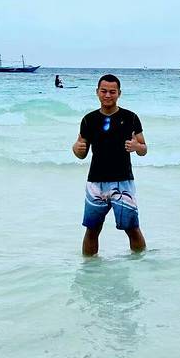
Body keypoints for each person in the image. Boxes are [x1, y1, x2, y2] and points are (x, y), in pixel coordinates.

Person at [72, 74, 148, 255]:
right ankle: (89, 267)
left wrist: (137, 146)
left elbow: (143, 149)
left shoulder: (130, 118)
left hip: (123, 181)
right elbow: (81, 153)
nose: (107, 95)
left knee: (132, 228)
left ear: (119, 93)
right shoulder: (88, 120)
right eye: (104, 91)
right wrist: (76, 148)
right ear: (97, 92)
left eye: (112, 92)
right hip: (95, 182)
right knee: (92, 229)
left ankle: (140, 263)